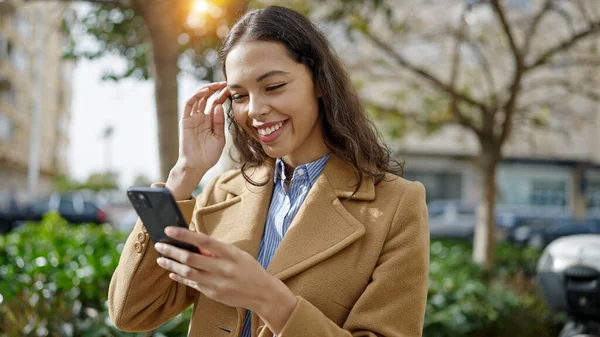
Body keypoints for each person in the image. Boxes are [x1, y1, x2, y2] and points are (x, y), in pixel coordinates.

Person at [108, 5, 429, 337]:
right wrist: (185, 172)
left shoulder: (396, 205)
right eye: (239, 95)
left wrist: (268, 299)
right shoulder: (221, 193)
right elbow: (131, 312)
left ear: (319, 81)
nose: (255, 110)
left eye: (273, 87)